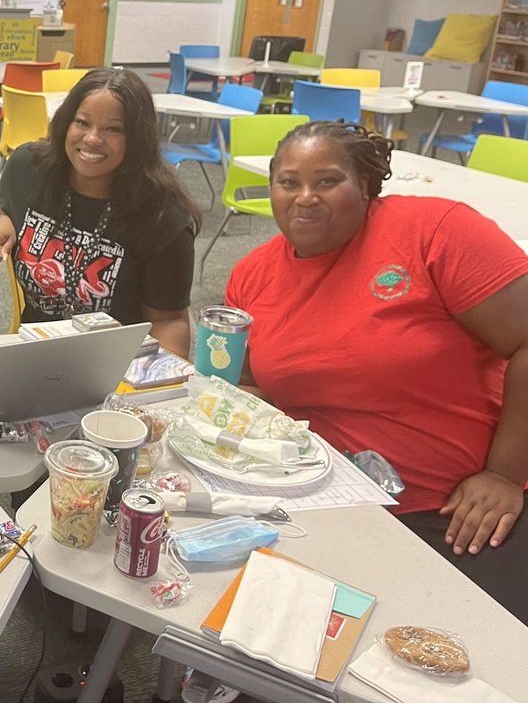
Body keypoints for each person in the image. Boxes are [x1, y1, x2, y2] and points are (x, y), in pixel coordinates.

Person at [224, 120, 528, 623]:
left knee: (487, 659)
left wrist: (504, 474)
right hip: (321, 502)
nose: (305, 198)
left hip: (455, 506)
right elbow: (253, 385)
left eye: (326, 181)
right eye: (288, 182)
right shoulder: (252, 275)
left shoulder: (435, 231)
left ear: (364, 185)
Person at [0, 67, 199, 356]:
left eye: (113, 129)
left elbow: (168, 322)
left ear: (137, 139)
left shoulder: (163, 218)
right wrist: (5, 221)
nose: (93, 138)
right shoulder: (29, 168)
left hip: (114, 367)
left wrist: (145, 385)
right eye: (82, 122)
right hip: (33, 355)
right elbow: (8, 205)